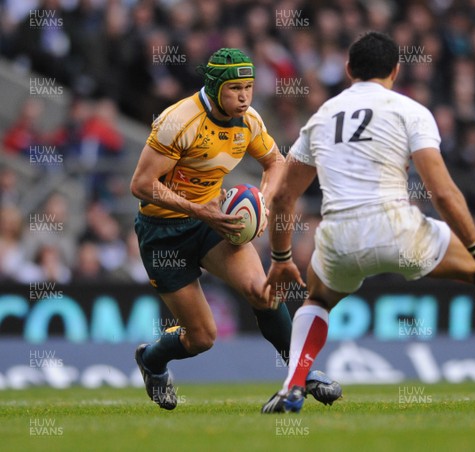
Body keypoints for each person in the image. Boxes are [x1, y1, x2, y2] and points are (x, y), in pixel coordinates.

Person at [261, 32, 475, 413]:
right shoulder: (410, 110)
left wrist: (280, 258)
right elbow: (443, 192)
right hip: (398, 230)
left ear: (347, 70)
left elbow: (282, 197)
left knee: (318, 299)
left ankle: (292, 385)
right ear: (395, 70)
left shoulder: (320, 117)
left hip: (338, 236)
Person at [129, 48, 341, 410]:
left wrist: (261, 200)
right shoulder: (177, 121)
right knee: (201, 337)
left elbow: (275, 162)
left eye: (249, 87)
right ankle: (152, 360)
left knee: (264, 292)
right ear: (214, 89)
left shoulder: (249, 121)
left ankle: (300, 374)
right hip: (162, 232)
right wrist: (200, 210)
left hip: (214, 223)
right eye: (234, 89)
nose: (244, 96)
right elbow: (142, 184)